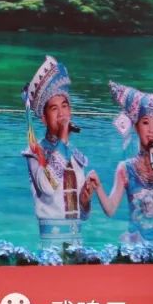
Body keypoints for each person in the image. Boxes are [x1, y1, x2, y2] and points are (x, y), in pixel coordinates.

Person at [21, 56, 100, 247]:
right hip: (51, 244)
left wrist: (85, 200)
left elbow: (84, 216)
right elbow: (47, 187)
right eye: (54, 109)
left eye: (65, 106)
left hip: (77, 242)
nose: (62, 114)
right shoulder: (35, 152)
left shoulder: (76, 156)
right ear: (44, 119)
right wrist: (63, 141)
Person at [95, 82, 153, 243]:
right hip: (134, 243)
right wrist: (98, 187)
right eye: (145, 122)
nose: (151, 130)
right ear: (135, 126)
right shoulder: (126, 168)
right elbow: (110, 209)